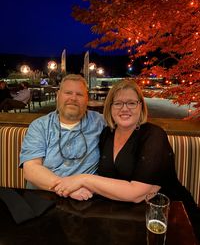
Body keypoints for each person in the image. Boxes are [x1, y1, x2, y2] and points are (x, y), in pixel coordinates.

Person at [53, 79, 199, 236]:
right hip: (123, 215)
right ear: (110, 107)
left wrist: (83, 179)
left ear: (141, 106)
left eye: (131, 103)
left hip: (168, 216)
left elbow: (138, 194)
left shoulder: (153, 135)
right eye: (118, 103)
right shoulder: (106, 134)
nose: (124, 109)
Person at [19, 74, 105, 200]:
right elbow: (31, 169)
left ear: (87, 99)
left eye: (79, 94)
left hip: (87, 200)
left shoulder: (101, 122)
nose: (73, 98)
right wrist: (68, 189)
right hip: (44, 198)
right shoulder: (40, 126)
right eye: (68, 92)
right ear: (58, 95)